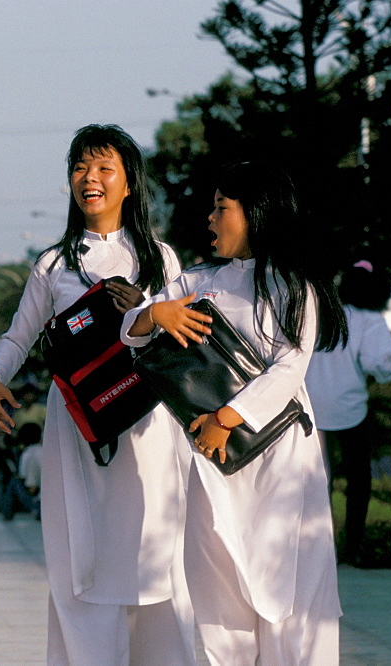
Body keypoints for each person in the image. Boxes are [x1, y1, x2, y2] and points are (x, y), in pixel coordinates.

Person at [0, 124, 195, 665]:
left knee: (152, 553)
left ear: (129, 184)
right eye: (80, 167)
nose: (90, 179)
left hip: (145, 422)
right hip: (75, 427)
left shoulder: (161, 260)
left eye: (104, 168)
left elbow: (182, 341)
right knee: (81, 556)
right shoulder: (54, 264)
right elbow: (19, 334)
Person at [122, 161, 348, 663]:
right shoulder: (198, 280)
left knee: (291, 590)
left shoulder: (294, 286)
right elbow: (129, 332)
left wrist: (224, 420)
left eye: (221, 207)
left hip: (280, 456)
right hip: (213, 463)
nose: (210, 218)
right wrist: (152, 314)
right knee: (218, 587)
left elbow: (290, 367)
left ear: (256, 213)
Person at [305, 260, 391, 565]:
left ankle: (317, 548)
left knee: (318, 481)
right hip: (350, 409)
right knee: (359, 480)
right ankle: (352, 547)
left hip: (312, 407)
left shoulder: (322, 314)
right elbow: (380, 366)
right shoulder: (371, 322)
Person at [1, 421, 42, 521]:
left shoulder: (28, 454)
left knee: (13, 483)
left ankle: (7, 514)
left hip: (40, 507)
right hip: (53, 502)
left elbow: (31, 487)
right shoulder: (43, 450)